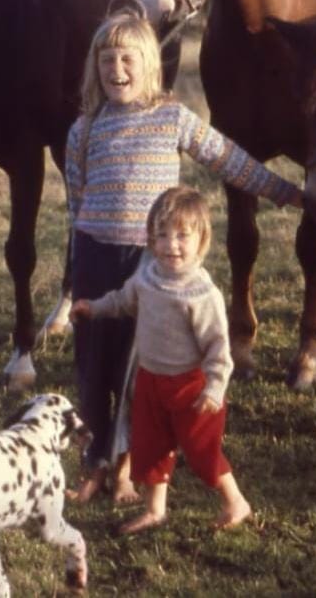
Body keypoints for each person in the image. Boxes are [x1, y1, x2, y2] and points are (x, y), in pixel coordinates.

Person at [63, 0, 299, 505]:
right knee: (93, 367)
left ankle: (125, 468)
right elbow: (75, 203)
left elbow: (227, 158)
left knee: (136, 369)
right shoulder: (83, 130)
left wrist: (283, 191)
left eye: (127, 59)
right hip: (94, 256)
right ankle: (94, 462)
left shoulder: (171, 117)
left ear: (149, 64)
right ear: (95, 67)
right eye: (107, 60)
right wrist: (73, 272)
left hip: (150, 265)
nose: (116, 69)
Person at [71, 186, 252, 532]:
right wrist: (93, 308)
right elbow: (123, 301)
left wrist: (214, 388)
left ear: (202, 240)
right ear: (151, 240)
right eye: (162, 235)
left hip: (191, 387)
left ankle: (235, 501)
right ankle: (155, 510)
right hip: (150, 380)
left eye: (183, 236)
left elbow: (218, 349)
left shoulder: (201, 294)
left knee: (201, 451)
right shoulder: (147, 276)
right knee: (150, 446)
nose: (172, 245)